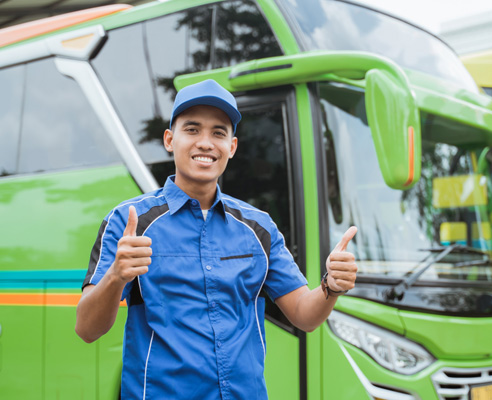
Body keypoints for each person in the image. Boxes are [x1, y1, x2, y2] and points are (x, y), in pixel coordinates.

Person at [75, 79, 358, 399]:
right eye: (192, 130)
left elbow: (305, 316)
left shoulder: (258, 227)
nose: (206, 143)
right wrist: (115, 276)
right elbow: (87, 329)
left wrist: (330, 286)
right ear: (170, 140)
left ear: (232, 147)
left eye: (218, 133)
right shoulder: (131, 222)